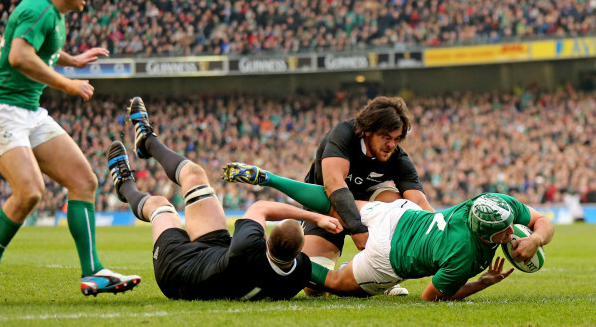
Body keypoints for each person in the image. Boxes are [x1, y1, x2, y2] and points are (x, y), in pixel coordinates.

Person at [0, 0, 140, 308]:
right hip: (0, 110)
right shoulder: (39, 8)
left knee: (84, 180)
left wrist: (73, 59)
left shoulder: (54, 14)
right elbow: (19, 55)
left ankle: (93, 270)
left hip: (30, 111)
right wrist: (68, 82)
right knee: (31, 191)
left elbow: (42, 47)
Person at [106, 96, 342, 300]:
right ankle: (146, 142)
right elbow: (327, 279)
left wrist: (316, 218)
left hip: (180, 272)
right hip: (218, 255)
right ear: (299, 253)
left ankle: (124, 186)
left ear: (266, 241)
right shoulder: (298, 274)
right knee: (195, 175)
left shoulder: (248, 246)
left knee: (161, 206)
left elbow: (261, 207)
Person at [224, 167, 555, 300]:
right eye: (505, 231)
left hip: (399, 215)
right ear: (486, 236)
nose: (513, 232)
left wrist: (536, 238)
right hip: (388, 257)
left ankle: (272, 179)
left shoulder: (493, 203)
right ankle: (280, 264)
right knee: (336, 284)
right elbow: (430, 296)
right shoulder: (467, 256)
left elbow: (544, 223)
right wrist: (477, 285)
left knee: (336, 204)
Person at [224, 96, 433, 296]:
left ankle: (379, 280)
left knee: (400, 204)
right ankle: (351, 269)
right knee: (314, 290)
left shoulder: (397, 157)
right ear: (369, 130)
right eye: (386, 138)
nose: (391, 145)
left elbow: (419, 202)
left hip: (367, 206)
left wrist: (443, 235)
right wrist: (357, 228)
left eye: (396, 139)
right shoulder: (343, 134)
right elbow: (333, 184)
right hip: (326, 208)